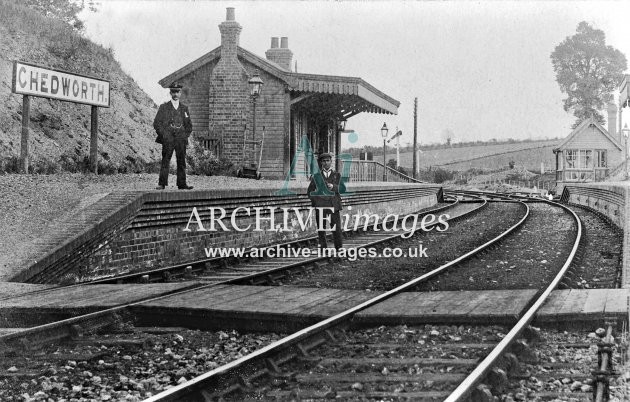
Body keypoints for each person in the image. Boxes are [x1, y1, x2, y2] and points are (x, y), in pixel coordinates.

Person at [153, 82, 193, 190]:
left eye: (177, 92)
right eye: (173, 92)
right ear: (170, 93)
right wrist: (164, 135)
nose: (175, 94)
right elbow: (156, 123)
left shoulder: (184, 108)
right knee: (166, 160)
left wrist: (184, 136)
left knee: (181, 161)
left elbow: (189, 126)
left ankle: (182, 183)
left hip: (181, 138)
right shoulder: (164, 107)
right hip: (168, 138)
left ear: (180, 93)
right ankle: (162, 183)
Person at [307, 153, 344, 250]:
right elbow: (310, 192)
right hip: (321, 206)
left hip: (333, 206)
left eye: (328, 161)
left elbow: (342, 189)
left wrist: (334, 187)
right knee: (321, 229)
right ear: (321, 163)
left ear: (331, 162)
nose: (326, 163)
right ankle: (323, 249)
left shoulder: (337, 175)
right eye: (323, 161)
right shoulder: (316, 176)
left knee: (336, 229)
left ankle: (339, 249)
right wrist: (316, 201)